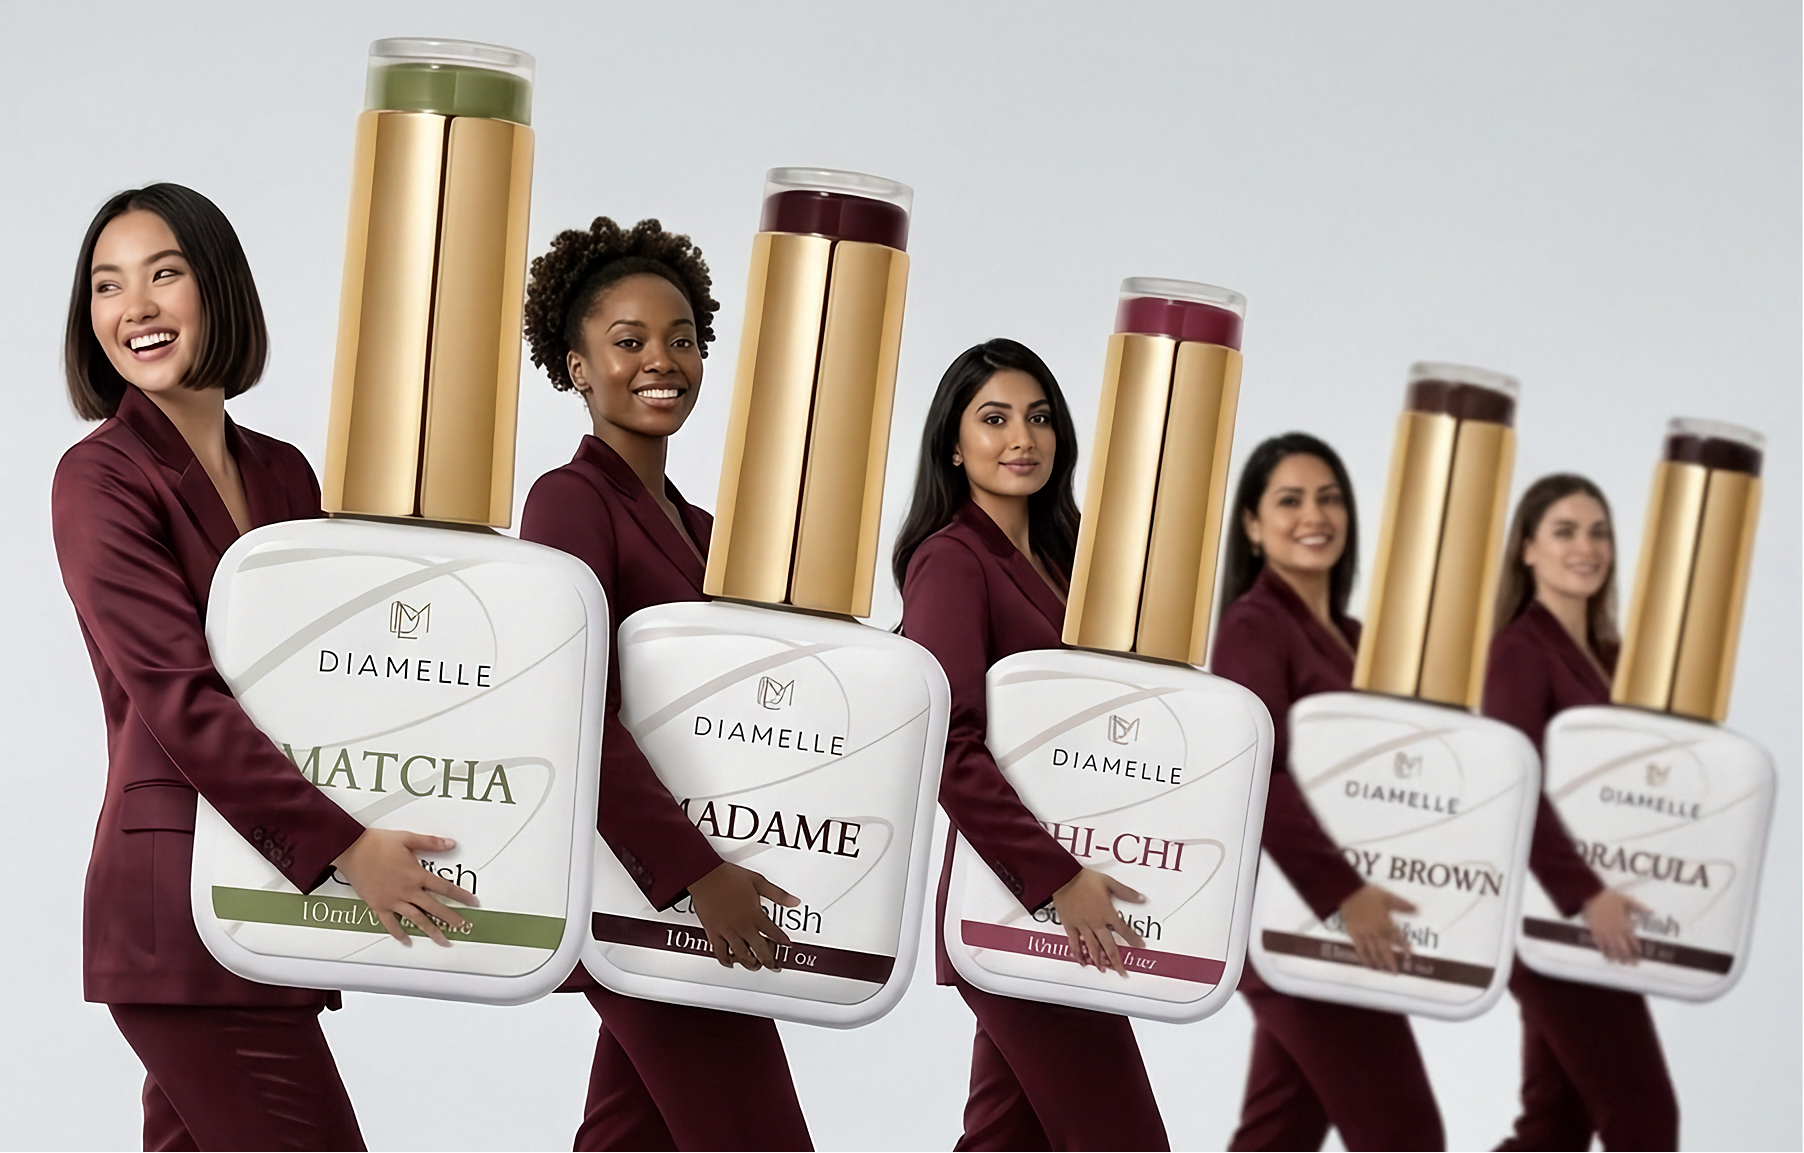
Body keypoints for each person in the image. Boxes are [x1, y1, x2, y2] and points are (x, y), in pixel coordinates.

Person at [52, 183, 474, 1151]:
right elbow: (177, 694)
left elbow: (335, 672)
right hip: (176, 917)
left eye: (165, 273)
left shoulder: (285, 473)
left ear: (219, 289)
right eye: (107, 287)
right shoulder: (100, 476)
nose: (135, 308)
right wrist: (342, 844)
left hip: (261, 907)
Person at [517, 217, 812, 1152]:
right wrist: (696, 876)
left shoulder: (705, 527)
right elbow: (567, 706)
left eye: (682, 339)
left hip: (690, 883)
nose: (663, 361)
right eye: (630, 340)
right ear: (576, 366)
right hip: (644, 879)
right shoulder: (568, 502)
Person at [895, 338, 1169, 1152]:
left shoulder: (1070, 560)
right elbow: (949, 744)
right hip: (1021, 891)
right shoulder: (951, 559)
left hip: (1083, 878)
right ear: (953, 441)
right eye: (995, 417)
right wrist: (1056, 881)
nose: (1023, 437)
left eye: (1040, 416)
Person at [1211, 433, 1444, 1151]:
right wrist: (1344, 891)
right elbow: (1259, 770)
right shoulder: (1253, 625)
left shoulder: (1353, 635)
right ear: (1252, 523)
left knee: (1280, 1130)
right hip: (1304, 911)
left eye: (1330, 496)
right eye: (1290, 499)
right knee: (1407, 1135)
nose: (1315, 514)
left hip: (1328, 921)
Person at [1485, 474, 1679, 1151]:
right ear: (1528, 550)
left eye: (1598, 531)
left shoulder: (1615, 659)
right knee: (1645, 1119)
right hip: (1555, 912)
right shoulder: (1518, 649)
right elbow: (1515, 784)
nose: (1586, 546)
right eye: (1565, 530)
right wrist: (1585, 894)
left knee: (1554, 1124)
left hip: (1598, 909)